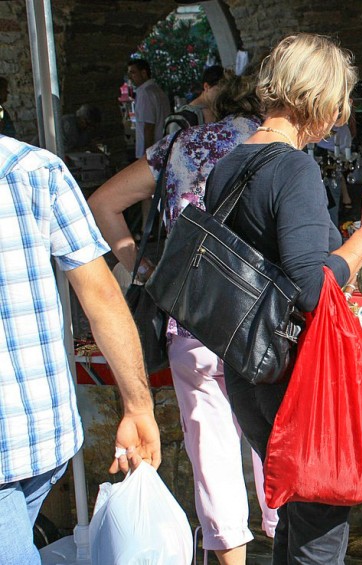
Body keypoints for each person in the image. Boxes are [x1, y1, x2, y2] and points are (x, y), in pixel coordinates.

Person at [204, 33, 362, 563]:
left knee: (297, 515)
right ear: (320, 97)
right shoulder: (294, 168)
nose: (340, 116)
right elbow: (311, 286)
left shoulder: (230, 163)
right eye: (339, 102)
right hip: (295, 377)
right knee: (319, 530)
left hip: (248, 369)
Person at [88, 71, 291, 564]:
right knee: (277, 449)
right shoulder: (276, 147)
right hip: (263, 322)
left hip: (193, 320)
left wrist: (147, 270)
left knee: (212, 464)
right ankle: (285, 545)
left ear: (213, 107)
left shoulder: (180, 147)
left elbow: (103, 204)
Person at [0, 134, 161, 563]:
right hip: (42, 430)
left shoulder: (38, 170)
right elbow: (101, 297)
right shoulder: (36, 168)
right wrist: (138, 406)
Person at [127, 58, 170, 159]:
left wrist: (147, 157)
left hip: (152, 154)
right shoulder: (157, 90)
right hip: (163, 149)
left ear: (143, 73)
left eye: (133, 72)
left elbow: (149, 126)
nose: (130, 77)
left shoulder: (145, 93)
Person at [165, 65, 228, 133]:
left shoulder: (220, 109)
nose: (224, 95)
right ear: (206, 86)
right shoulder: (186, 117)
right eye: (220, 90)